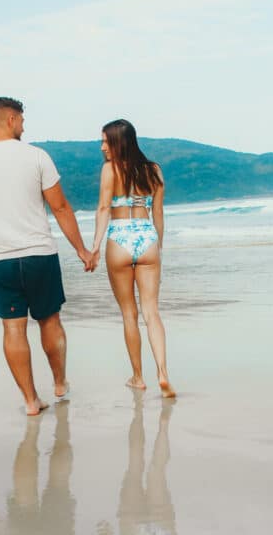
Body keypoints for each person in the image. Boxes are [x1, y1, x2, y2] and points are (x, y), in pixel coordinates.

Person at [0, 97, 95, 416]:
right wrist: (81, 249)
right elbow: (59, 207)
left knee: (13, 329)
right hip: (39, 256)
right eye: (21, 120)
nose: (23, 126)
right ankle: (59, 383)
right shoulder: (35, 156)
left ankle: (31, 401)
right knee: (50, 320)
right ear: (11, 119)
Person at [90, 119, 176, 398]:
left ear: (119, 142)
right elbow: (158, 214)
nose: (102, 147)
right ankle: (163, 372)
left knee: (130, 314)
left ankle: (138, 377)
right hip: (146, 237)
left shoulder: (109, 169)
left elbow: (104, 208)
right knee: (152, 313)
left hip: (120, 239)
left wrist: (94, 246)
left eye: (106, 141)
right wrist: (158, 246)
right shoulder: (154, 170)